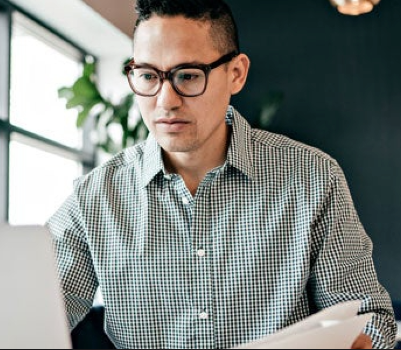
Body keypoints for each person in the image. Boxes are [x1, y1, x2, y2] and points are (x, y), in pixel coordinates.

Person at [46, 0, 398, 348]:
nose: (165, 100)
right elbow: (35, 316)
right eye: (149, 76)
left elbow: (370, 320)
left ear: (236, 74)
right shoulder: (94, 197)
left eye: (187, 76)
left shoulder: (313, 179)